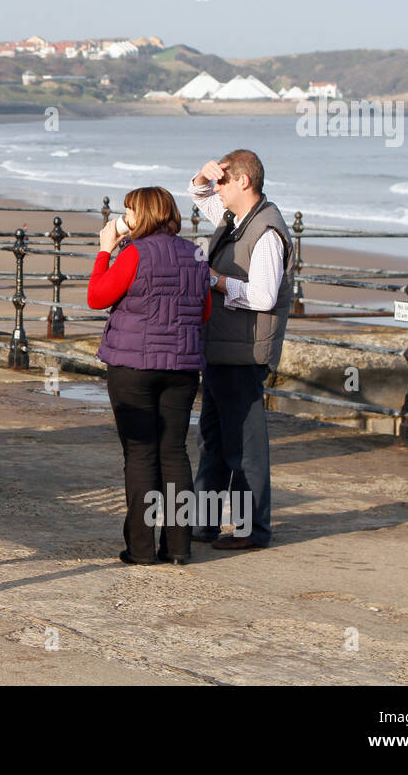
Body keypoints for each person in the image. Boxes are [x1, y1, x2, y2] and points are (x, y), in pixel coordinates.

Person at [88, 187, 210, 565]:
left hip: (134, 366)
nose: (125, 220)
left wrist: (106, 248)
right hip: (183, 367)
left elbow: (97, 296)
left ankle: (140, 548)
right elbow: (203, 312)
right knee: (175, 453)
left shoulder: (134, 253)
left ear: (143, 216)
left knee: (140, 454)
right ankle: (178, 547)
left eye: (130, 213)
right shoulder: (195, 253)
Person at [188, 150, 295, 551]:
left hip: (246, 352)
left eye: (223, 180)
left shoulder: (266, 231)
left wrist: (216, 281)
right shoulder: (237, 220)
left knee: (245, 447)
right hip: (224, 348)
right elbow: (200, 195)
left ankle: (253, 531)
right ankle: (204, 523)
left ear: (243, 183)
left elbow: (264, 297)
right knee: (213, 439)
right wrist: (204, 172)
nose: (217, 188)